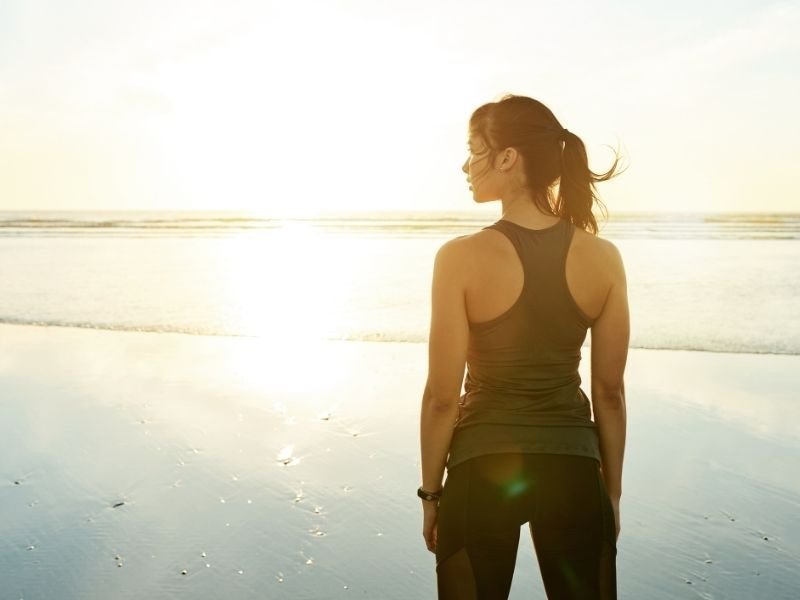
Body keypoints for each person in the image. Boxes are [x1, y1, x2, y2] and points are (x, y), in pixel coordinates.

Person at [418, 94, 629, 600]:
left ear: (508, 157)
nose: (465, 165)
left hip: (481, 469)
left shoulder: (459, 258)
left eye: (475, 149)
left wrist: (431, 495)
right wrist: (611, 494)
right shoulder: (603, 258)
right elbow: (610, 393)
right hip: (575, 469)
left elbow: (442, 397)